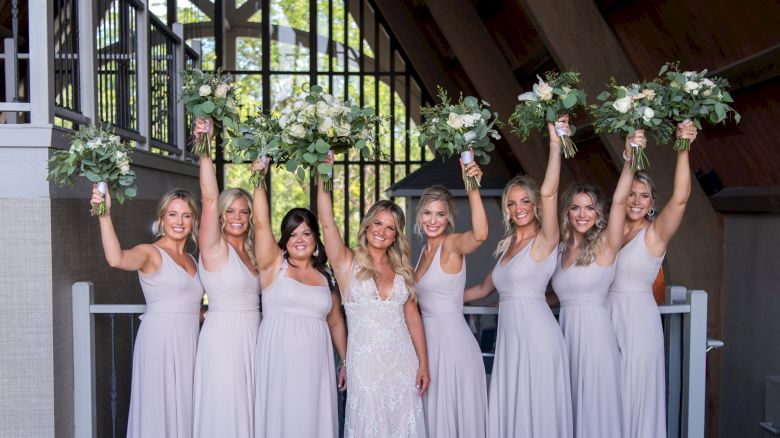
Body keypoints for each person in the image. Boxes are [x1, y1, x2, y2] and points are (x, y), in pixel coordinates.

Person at [465, 118, 571, 438]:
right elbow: (483, 288)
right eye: (512, 203)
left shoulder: (546, 239)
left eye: (525, 201)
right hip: (511, 339)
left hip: (538, 338)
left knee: (537, 413)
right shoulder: (508, 245)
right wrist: (433, 294)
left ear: (536, 204)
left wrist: (555, 146)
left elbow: (551, 193)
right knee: (514, 412)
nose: (519, 208)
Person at [317, 152, 430, 437]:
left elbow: (413, 319)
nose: (382, 232)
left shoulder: (402, 269)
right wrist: (324, 176)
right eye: (377, 224)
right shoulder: (346, 262)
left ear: (396, 235)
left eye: (390, 228)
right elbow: (327, 223)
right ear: (367, 226)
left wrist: (423, 364)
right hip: (364, 365)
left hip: (403, 363)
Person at [607, 121, 697, 438]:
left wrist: (683, 147)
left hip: (638, 322)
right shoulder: (608, 232)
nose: (635, 200)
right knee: (606, 396)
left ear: (652, 203)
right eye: (631, 193)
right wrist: (630, 158)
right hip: (605, 317)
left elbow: (682, 198)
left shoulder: (655, 234)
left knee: (636, 394)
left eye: (643, 196)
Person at [91, 187, 204, 438]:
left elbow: (187, 306)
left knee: (186, 409)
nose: (179, 222)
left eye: (186, 216)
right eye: (172, 215)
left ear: (194, 220)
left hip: (189, 345)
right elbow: (116, 259)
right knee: (158, 409)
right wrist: (104, 214)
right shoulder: (150, 253)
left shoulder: (192, 259)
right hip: (160, 343)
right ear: (162, 218)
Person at [551, 131, 640, 438]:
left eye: (589, 208)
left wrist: (629, 156)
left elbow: (618, 201)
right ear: (567, 211)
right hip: (565, 338)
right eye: (576, 207)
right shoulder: (560, 249)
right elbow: (562, 293)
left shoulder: (606, 244)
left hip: (596, 339)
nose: (582, 214)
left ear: (598, 213)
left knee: (595, 411)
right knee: (570, 409)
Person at [250, 158, 347, 437]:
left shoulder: (326, 276)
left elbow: (336, 322)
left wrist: (346, 361)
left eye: (306, 233)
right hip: (279, 361)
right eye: (292, 234)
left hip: (317, 364)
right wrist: (258, 180)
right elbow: (260, 223)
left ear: (316, 239)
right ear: (284, 239)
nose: (299, 239)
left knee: (312, 421)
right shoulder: (273, 266)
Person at [192, 118, 260, 438]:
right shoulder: (214, 247)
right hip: (224, 339)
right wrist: (205, 148)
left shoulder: (254, 254)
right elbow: (207, 197)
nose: (237, 217)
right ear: (221, 215)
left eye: (243, 211)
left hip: (255, 337)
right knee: (226, 409)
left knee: (251, 408)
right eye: (230, 211)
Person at [414, 150, 488, 437]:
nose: (433, 220)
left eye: (440, 214)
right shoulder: (422, 252)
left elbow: (481, 234)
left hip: (453, 346)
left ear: (449, 218)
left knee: (455, 418)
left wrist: (472, 187)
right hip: (428, 345)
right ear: (421, 215)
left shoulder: (452, 245)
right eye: (428, 213)